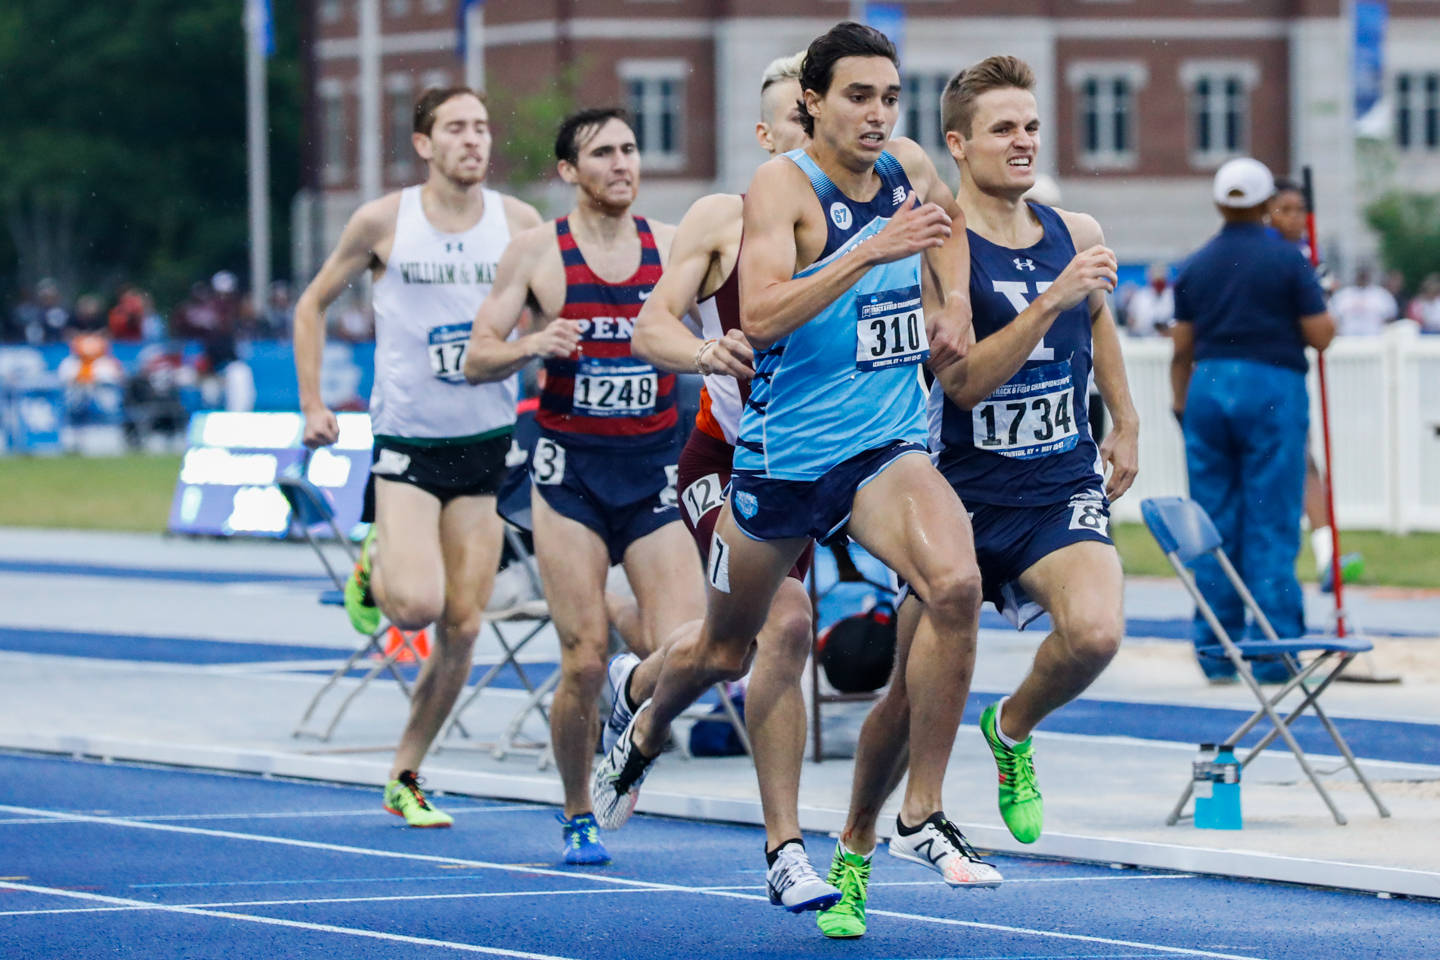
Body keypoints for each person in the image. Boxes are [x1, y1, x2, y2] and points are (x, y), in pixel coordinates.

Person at [592, 19, 992, 905]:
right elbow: (737, 317)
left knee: (955, 586)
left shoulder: (905, 166)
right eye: (858, 98)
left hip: (880, 445)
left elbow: (949, 224)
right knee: (736, 646)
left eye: (891, 98)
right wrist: (709, 351)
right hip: (763, 457)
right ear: (794, 119)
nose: (879, 116)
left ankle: (901, 817)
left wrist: (954, 302)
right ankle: (644, 714)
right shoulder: (758, 200)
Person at [817, 55, 1136, 939]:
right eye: (1003, 128)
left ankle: (1011, 728)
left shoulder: (1075, 228)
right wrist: (1046, 307)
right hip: (960, 497)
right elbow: (961, 386)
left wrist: (1129, 421)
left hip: (1056, 484)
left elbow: (1099, 321)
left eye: (1031, 125)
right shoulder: (939, 241)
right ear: (959, 144)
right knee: (906, 703)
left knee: (1099, 632)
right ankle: (853, 851)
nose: (1023, 141)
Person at [616, 51, 842, 912]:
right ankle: (786, 851)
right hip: (733, 462)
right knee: (780, 628)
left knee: (722, 648)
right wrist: (706, 349)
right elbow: (651, 326)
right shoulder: (725, 216)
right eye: (798, 122)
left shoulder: (864, 212)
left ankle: (637, 693)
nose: (813, 140)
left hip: (831, 463)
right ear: (767, 134)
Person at [293, 86, 542, 828]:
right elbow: (310, 305)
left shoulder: (519, 223)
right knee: (415, 606)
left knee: (465, 626)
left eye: (483, 127)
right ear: (425, 144)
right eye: (457, 129)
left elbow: (567, 307)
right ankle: (379, 560)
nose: (474, 140)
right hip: (407, 442)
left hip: (486, 445)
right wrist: (313, 405)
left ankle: (406, 771)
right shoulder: (383, 220)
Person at [462, 107, 705, 867]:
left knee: (693, 651)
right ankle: (576, 812)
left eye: (630, 150)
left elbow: (738, 319)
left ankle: (633, 715)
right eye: (603, 153)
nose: (622, 164)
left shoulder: (673, 248)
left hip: (652, 472)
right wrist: (534, 342)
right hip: (570, 477)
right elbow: (476, 356)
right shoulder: (538, 253)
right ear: (569, 171)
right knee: (582, 657)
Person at [1170, 157, 1335, 682]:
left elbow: (1181, 349)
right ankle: (1272, 652)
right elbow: (1321, 334)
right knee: (1271, 517)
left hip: (1209, 386)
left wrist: (1181, 404)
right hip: (1271, 387)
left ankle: (1216, 649)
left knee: (1212, 521)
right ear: (1266, 204)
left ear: (1220, 203)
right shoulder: (1289, 261)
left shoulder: (1195, 265)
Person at [1266, 178, 1361, 591]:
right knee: (1275, 474)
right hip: (1263, 379)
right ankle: (1272, 567)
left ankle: (1326, 556)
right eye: (1284, 209)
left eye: (1300, 210)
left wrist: (1316, 290)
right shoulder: (1269, 257)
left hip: (1286, 377)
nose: (1296, 219)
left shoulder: (1301, 258)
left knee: (1305, 467)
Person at [1331, 266, 1397, 337]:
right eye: (1360, 275)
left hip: (1375, 341)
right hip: (1346, 341)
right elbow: (1332, 318)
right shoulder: (1342, 295)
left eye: (1364, 275)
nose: (1362, 277)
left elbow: (1391, 318)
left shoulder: (1382, 294)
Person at [1123, 262, 1175, 337]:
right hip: (1144, 340)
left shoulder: (1172, 296)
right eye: (1156, 280)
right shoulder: (1140, 297)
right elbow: (1131, 321)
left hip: (1167, 340)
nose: (1158, 283)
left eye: (1160, 280)